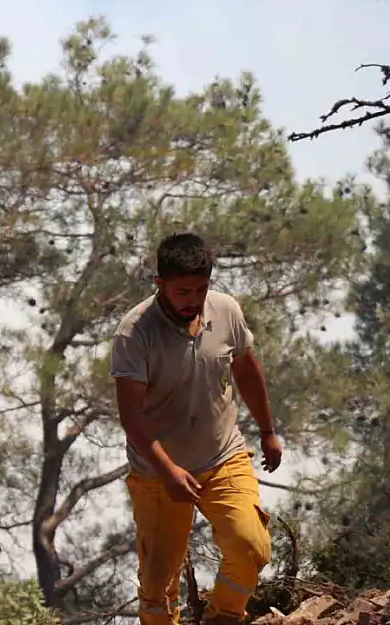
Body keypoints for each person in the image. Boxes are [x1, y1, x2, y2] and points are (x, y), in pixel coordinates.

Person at [110, 232, 283, 625]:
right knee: (157, 586)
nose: (193, 299)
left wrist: (268, 430)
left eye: (201, 289)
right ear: (160, 285)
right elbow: (131, 414)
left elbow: (246, 369)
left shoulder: (225, 310)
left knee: (250, 547)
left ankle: (222, 616)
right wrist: (168, 470)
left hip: (223, 457)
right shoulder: (134, 332)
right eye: (182, 290)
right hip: (157, 472)